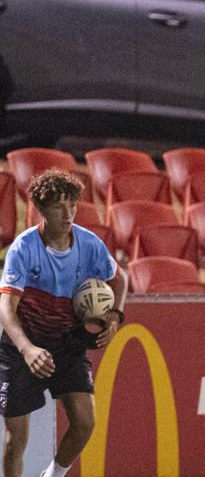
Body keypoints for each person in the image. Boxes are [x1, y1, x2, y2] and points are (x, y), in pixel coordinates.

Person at [0, 169, 126, 477]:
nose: (68, 213)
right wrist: (28, 349)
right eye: (58, 205)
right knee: (17, 440)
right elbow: (6, 307)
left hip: (66, 344)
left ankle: (52, 475)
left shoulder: (90, 244)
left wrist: (115, 315)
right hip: (21, 348)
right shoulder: (24, 247)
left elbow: (120, 279)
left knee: (85, 422)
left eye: (72, 204)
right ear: (41, 210)